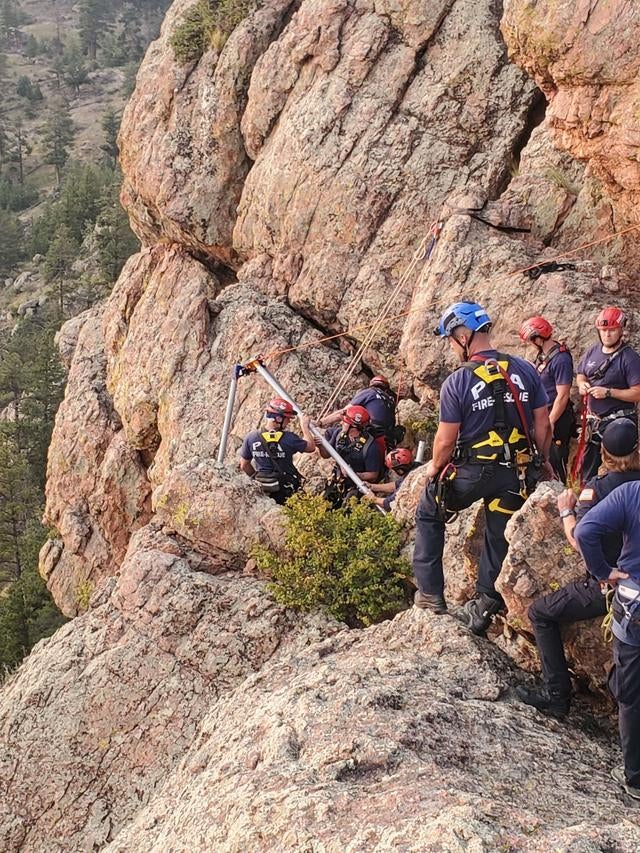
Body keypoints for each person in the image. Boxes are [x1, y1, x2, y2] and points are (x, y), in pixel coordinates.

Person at [413, 300, 552, 635]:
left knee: (430, 511)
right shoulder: (525, 370)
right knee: (497, 531)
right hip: (515, 473)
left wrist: (434, 469)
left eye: (450, 338)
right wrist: (543, 461)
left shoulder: (457, 382)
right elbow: (543, 426)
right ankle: (485, 604)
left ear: (463, 335)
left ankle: (431, 595)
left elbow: (446, 441)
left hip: (472, 473)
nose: (450, 345)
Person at [517, 418, 640, 719]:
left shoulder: (596, 490)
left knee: (540, 613)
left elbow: (579, 539)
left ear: (604, 453)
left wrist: (565, 510)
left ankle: (556, 695)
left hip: (610, 587)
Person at [573, 480, 640, 800]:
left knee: (631, 695)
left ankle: (635, 776)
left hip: (635, 610)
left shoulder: (633, 494)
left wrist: (603, 571)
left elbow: (584, 533)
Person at [575, 307, 640, 481]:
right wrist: (581, 384)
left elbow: (637, 393)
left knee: (620, 469)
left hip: (618, 422)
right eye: (603, 330)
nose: (607, 334)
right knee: (587, 468)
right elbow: (581, 373)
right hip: (594, 421)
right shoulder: (592, 351)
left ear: (621, 330)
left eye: (612, 330)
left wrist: (609, 393)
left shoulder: (630, 358)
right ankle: (586, 498)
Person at [519, 316, 575, 482]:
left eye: (530, 341)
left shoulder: (561, 359)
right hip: (543, 413)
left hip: (556, 417)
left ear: (538, 339)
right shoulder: (544, 356)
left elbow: (563, 395)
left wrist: (550, 421)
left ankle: (559, 494)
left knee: (555, 460)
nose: (530, 345)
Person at [239, 397, 316, 504]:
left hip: (264, 491)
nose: (289, 421)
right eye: (287, 418)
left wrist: (257, 479)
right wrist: (304, 427)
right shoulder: (289, 438)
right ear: (279, 419)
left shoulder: (251, 437)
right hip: (287, 490)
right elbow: (311, 447)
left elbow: (244, 465)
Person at [320, 376, 399, 457]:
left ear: (371, 385)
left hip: (371, 432)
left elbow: (344, 412)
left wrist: (320, 422)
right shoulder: (390, 402)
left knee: (331, 432)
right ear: (386, 389)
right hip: (387, 438)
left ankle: (327, 451)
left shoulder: (369, 392)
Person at [320, 405, 382, 507]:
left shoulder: (370, 447)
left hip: (355, 485)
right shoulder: (339, 434)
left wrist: (354, 474)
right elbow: (326, 455)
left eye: (345, 422)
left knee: (347, 508)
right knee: (324, 505)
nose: (341, 423)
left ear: (353, 427)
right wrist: (320, 446)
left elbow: (373, 474)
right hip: (338, 479)